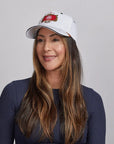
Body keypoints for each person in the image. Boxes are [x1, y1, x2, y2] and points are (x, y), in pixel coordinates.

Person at [0, 11, 106, 144]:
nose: (46, 47)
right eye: (40, 40)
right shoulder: (13, 93)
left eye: (55, 39)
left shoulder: (92, 100)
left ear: (70, 46)